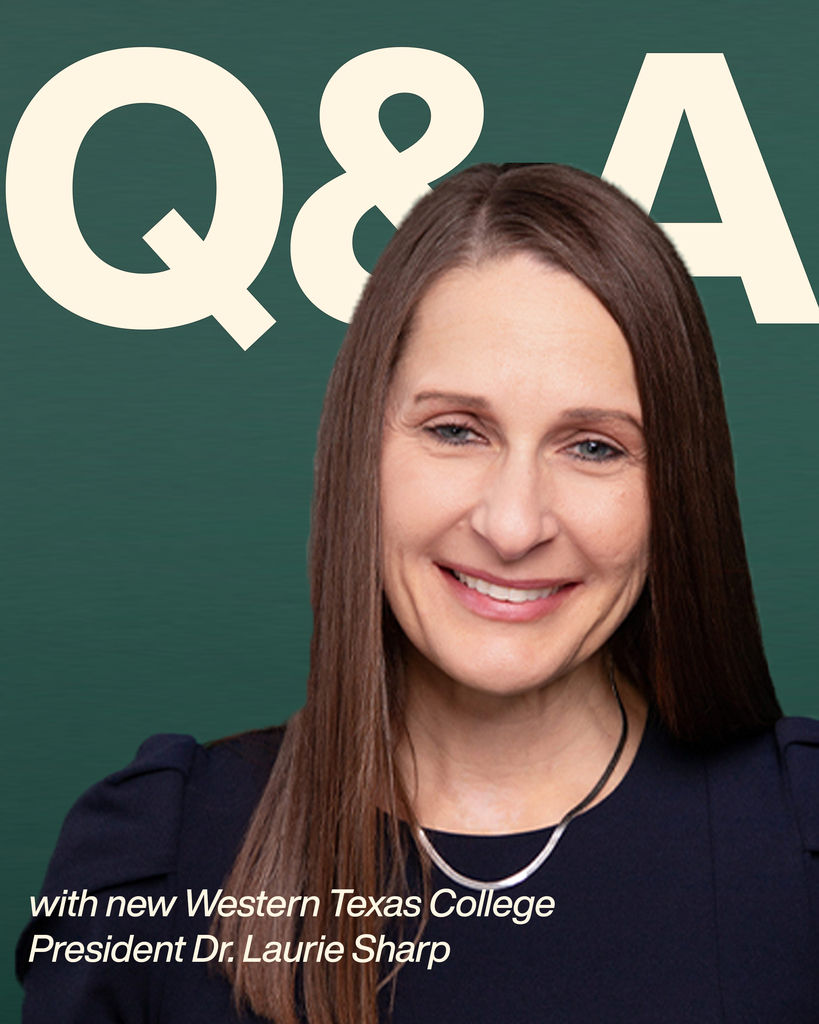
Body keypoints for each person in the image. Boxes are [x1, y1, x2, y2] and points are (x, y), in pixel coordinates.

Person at [18, 163, 819, 1023]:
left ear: (677, 488)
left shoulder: (797, 839)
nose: (513, 527)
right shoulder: (154, 857)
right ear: (361, 448)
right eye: (454, 431)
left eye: (593, 447)